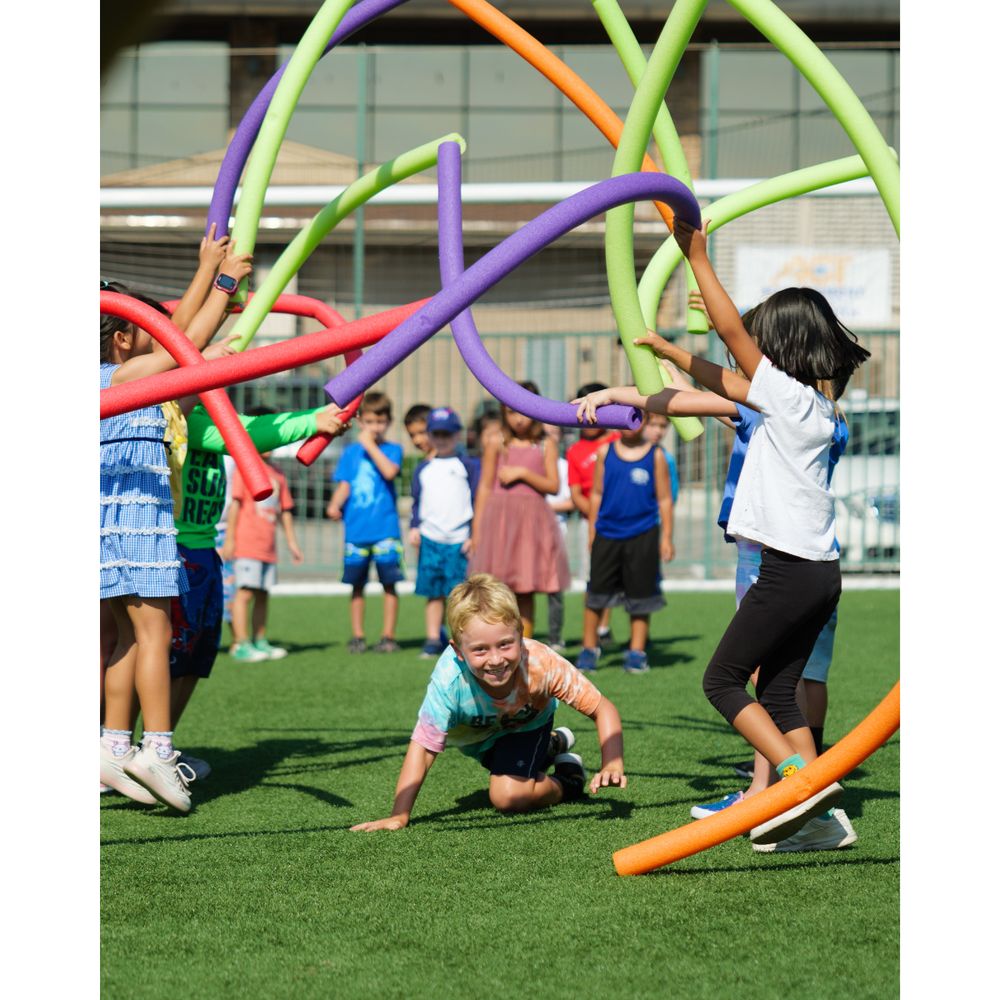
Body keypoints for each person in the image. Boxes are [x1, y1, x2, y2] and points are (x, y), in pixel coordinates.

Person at [576, 215, 869, 849]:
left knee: (721, 681)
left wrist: (697, 255)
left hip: (788, 571)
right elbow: (717, 382)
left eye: (764, 342)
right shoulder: (809, 407)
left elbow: (733, 340)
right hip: (820, 574)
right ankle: (816, 823)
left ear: (782, 348)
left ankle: (798, 782)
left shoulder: (788, 401)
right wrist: (672, 354)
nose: (749, 348)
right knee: (781, 692)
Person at [99, 235, 252, 813]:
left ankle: (113, 745)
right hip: (138, 519)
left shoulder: (114, 379)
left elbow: (174, 332)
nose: (161, 327)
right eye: (145, 326)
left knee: (126, 643)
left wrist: (207, 266)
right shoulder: (128, 377)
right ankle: (156, 750)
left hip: (112, 525)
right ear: (121, 339)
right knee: (154, 635)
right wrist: (226, 284)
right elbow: (184, 340)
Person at [350, 574, 627, 831]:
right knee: (508, 769)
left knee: (508, 796)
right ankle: (551, 745)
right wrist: (400, 814)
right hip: (479, 741)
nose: (495, 660)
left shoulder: (541, 663)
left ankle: (569, 780)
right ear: (458, 651)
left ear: (520, 634)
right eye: (480, 649)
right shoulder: (448, 682)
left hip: (526, 726)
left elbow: (603, 708)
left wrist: (612, 763)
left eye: (505, 644)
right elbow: (422, 748)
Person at [168, 405, 350, 776]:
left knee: (197, 658)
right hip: (178, 550)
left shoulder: (206, 409)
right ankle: (124, 744)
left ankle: (160, 744)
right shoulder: (184, 416)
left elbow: (245, 425)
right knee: (168, 658)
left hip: (203, 550)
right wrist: (313, 421)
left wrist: (321, 414)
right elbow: (245, 434)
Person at [468, 382, 570, 637]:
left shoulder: (546, 443)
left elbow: (553, 485)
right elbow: (484, 487)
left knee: (526, 586)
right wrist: (477, 530)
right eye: (512, 412)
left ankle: (525, 644)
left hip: (531, 524)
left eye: (523, 411)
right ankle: (499, 639)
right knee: (496, 588)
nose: (519, 419)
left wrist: (522, 473)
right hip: (499, 523)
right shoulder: (496, 441)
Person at [576, 412, 674, 675]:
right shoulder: (605, 452)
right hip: (607, 534)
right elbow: (596, 494)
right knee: (596, 595)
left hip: (643, 535)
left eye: (637, 417)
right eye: (623, 417)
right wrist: (592, 531)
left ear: (645, 421)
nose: (629, 423)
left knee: (641, 597)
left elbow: (665, 499)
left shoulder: (655, 456)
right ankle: (588, 649)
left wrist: (666, 537)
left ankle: (636, 652)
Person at [327, 390, 404, 653]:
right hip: (356, 530)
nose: (375, 427)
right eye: (370, 422)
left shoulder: (393, 449)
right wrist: (335, 503)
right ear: (360, 422)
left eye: (380, 422)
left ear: (389, 422)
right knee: (357, 585)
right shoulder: (351, 453)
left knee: (389, 584)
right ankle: (358, 635)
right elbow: (345, 484)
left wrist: (370, 445)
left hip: (385, 530)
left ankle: (388, 636)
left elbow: (390, 472)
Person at [222, 418, 305, 662]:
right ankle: (240, 642)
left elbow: (285, 511)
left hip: (267, 546)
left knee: (262, 594)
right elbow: (236, 505)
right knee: (244, 592)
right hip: (246, 544)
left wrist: (292, 542)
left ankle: (260, 639)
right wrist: (230, 540)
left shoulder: (278, 473)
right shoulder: (244, 469)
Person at [408, 406, 480, 659]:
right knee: (432, 592)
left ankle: (460, 639)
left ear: (457, 435)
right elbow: (417, 501)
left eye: (447, 434)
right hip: (430, 538)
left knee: (458, 596)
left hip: (458, 540)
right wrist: (414, 527)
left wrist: (473, 534)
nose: (442, 439)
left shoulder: (468, 466)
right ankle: (431, 638)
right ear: (429, 435)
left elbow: (476, 500)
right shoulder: (423, 469)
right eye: (436, 434)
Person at [566, 383, 619, 648]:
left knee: (614, 581)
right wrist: (596, 515)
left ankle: (604, 627)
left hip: (620, 523)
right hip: (593, 523)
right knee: (593, 579)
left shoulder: (618, 442)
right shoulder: (575, 451)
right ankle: (591, 634)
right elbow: (576, 494)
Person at [543, 424, 574, 654]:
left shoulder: (564, 466)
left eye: (553, 432)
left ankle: (554, 636)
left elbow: (569, 501)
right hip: (526, 532)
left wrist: (539, 507)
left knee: (554, 586)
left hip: (555, 530)